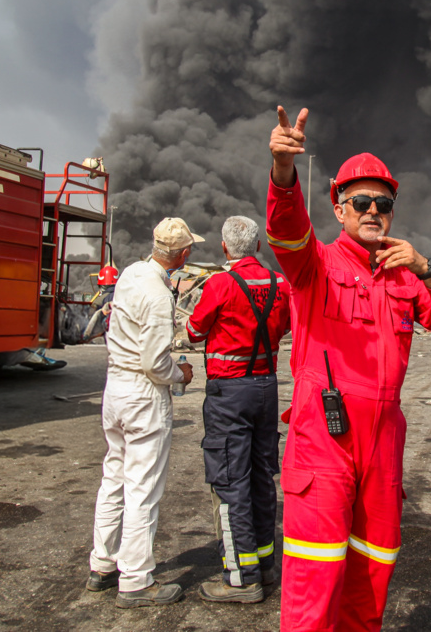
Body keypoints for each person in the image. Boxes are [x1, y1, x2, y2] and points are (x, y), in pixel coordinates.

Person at [265, 106, 431, 631]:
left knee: (372, 578)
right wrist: (282, 173)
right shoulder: (314, 265)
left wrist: (427, 270)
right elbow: (286, 232)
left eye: (383, 203)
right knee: (314, 583)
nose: (373, 211)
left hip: (383, 445)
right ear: (339, 210)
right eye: (360, 201)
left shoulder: (406, 278)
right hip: (324, 441)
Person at [87, 217, 203, 608]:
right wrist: (181, 373)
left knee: (114, 476)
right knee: (143, 487)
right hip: (142, 395)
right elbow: (155, 364)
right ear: (184, 254)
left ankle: (102, 564)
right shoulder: (157, 294)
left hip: (115, 390)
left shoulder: (132, 273)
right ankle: (136, 580)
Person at [185, 215, 292, 603]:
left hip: (229, 392)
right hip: (266, 388)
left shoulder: (220, 285)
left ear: (225, 248)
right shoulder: (281, 284)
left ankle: (241, 578)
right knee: (262, 475)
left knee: (230, 481)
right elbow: (288, 327)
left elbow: (195, 330)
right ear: (259, 247)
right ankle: (265, 564)